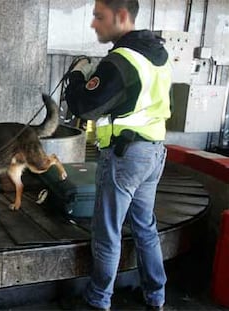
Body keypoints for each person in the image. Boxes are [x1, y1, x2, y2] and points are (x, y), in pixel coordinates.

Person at [64, 0, 171, 310]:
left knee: (107, 230)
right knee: (145, 226)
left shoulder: (122, 60)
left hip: (125, 156)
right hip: (153, 153)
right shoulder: (158, 53)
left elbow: (85, 106)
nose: (94, 24)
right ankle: (156, 294)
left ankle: (99, 298)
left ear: (121, 16)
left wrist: (76, 78)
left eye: (99, 17)